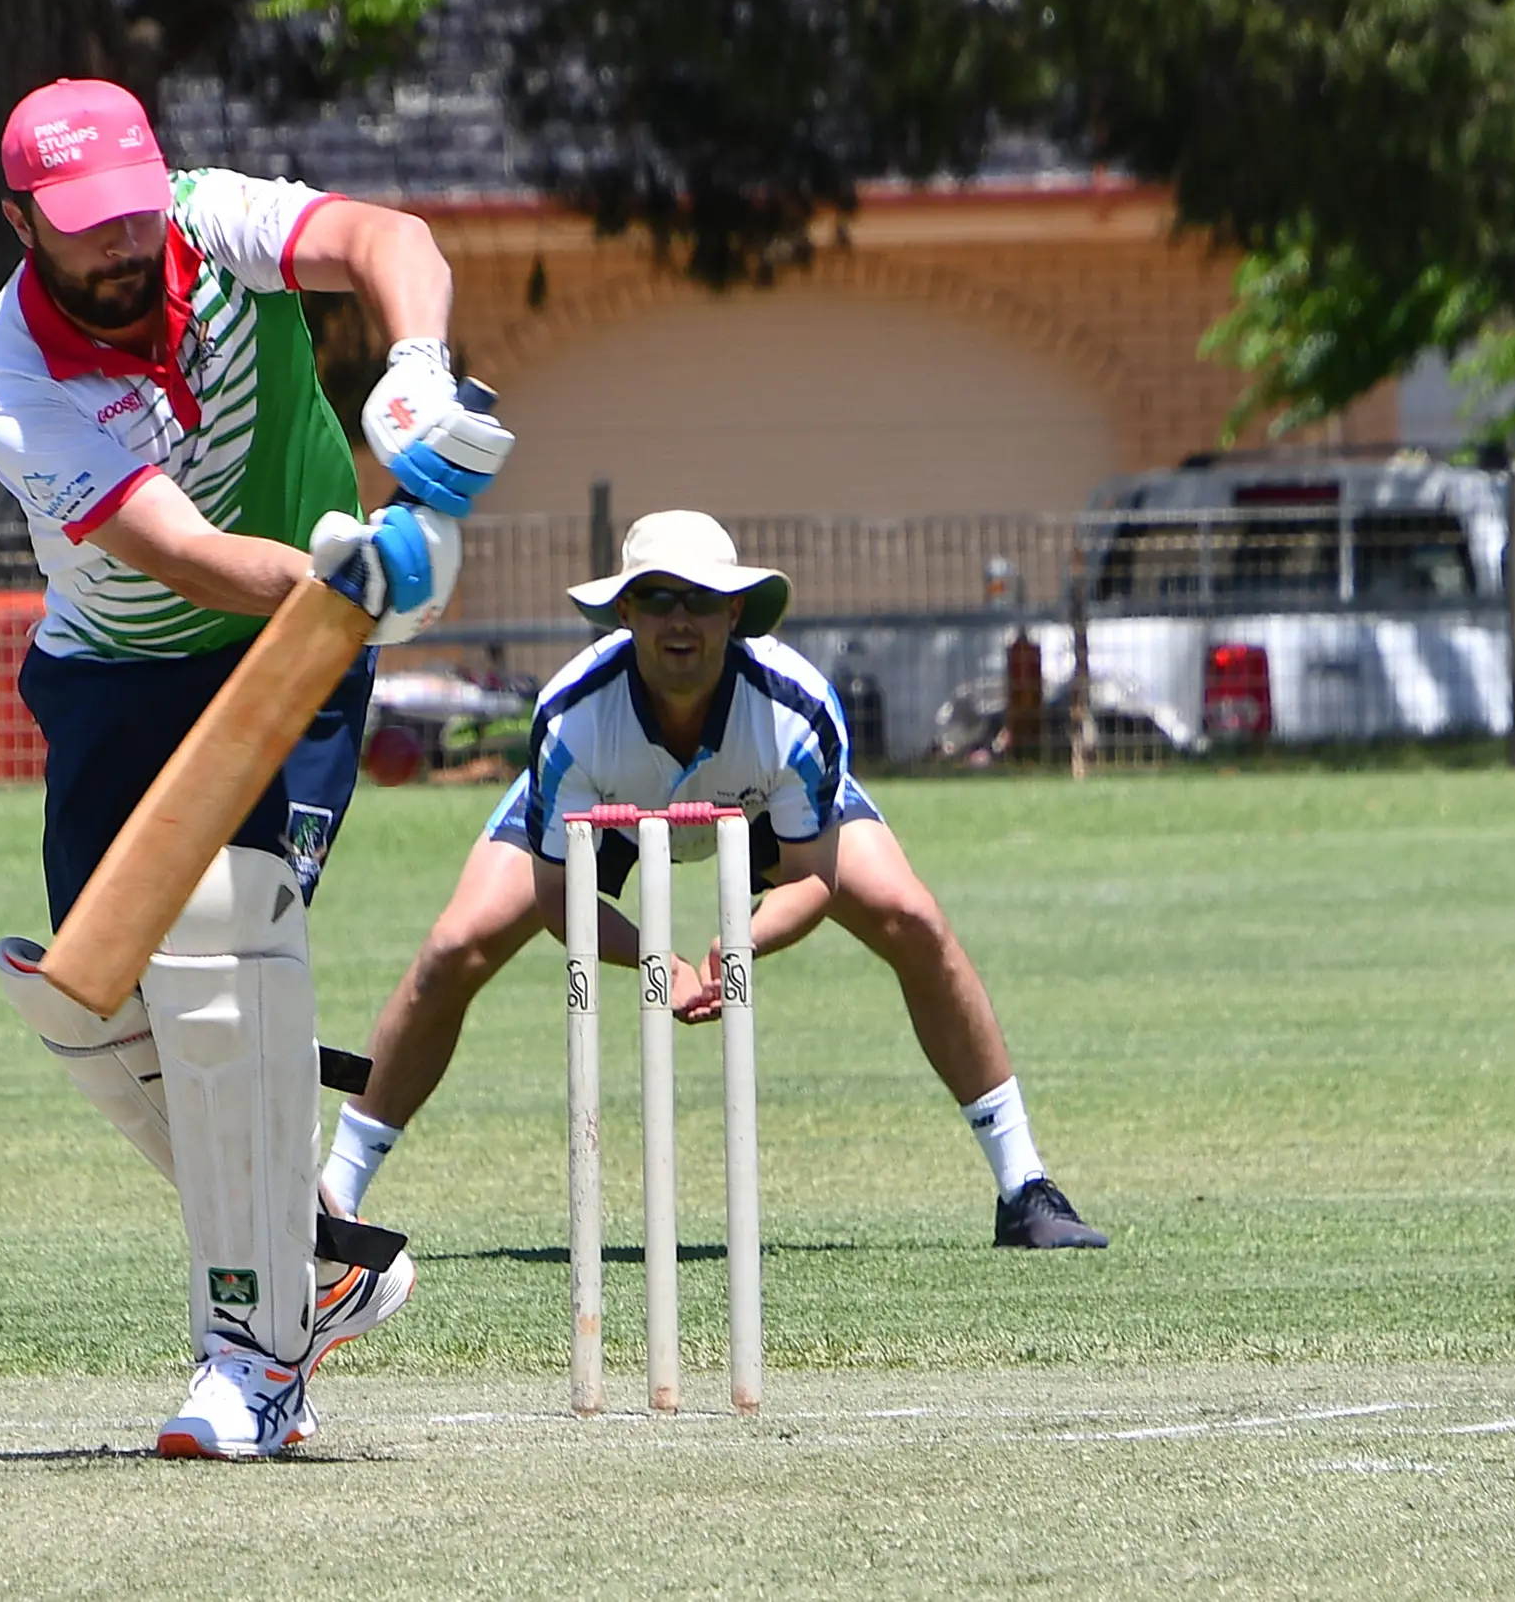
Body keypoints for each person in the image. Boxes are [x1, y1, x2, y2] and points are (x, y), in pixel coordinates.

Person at [0, 75, 514, 1459]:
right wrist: (362, 567)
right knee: (84, 997)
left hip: (293, 662)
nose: (122, 247)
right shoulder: (12, 378)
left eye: (132, 215)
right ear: (21, 220)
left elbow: (396, 244)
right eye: (84, 227)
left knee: (225, 945)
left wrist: (416, 372)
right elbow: (187, 558)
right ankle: (315, 1256)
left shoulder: (213, 222)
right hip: (124, 674)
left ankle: (247, 1363)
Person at [319, 510, 1110, 1251]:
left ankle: (1025, 1189)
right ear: (625, 612)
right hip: (607, 806)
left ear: (736, 613)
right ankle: (334, 1198)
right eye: (658, 598)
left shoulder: (795, 711)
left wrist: (734, 950)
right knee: (453, 948)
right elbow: (562, 897)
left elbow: (811, 877)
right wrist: (659, 964)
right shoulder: (573, 717)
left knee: (914, 917)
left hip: (762, 806)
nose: (680, 621)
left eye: (702, 599)